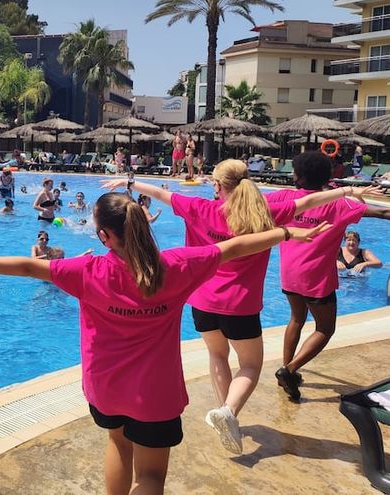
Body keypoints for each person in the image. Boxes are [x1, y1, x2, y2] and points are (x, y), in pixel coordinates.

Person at [0, 192, 329, 495]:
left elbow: (27, 266)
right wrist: (286, 233)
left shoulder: (87, 270)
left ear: (104, 236)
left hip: (106, 388)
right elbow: (234, 247)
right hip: (156, 395)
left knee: (118, 443)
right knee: (152, 476)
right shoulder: (177, 266)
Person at [105, 161, 376, 453]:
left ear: (218, 186)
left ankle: (226, 414)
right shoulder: (263, 213)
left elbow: (162, 194)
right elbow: (309, 202)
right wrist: (347, 191)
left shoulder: (200, 208)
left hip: (203, 302)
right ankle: (228, 412)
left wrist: (129, 184)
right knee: (250, 365)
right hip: (240, 305)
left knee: (217, 355)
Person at [267, 151, 390, 400]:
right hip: (316, 278)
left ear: (298, 176)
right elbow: (382, 213)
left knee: (296, 319)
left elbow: (249, 204)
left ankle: (287, 370)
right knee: (325, 328)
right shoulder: (339, 204)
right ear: (327, 176)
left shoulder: (284, 197)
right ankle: (289, 370)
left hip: (289, 272)